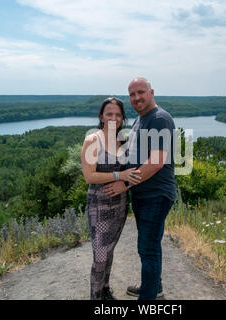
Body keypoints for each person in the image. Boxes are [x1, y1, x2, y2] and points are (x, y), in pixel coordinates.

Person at [102, 78, 177, 300]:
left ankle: (148, 299)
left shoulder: (159, 119)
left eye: (141, 93)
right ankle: (154, 287)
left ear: (151, 92)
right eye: (132, 94)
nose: (136, 98)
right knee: (151, 245)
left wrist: (124, 183)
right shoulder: (141, 120)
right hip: (144, 193)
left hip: (156, 194)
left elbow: (156, 162)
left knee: (147, 249)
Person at [81, 97, 142, 300]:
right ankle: (96, 297)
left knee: (109, 250)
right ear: (101, 116)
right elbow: (89, 176)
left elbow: (135, 169)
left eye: (118, 114)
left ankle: (105, 289)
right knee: (99, 256)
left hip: (120, 205)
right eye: (109, 114)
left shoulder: (123, 140)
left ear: (122, 118)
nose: (113, 118)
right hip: (99, 206)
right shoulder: (92, 140)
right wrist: (120, 176)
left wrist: (126, 182)